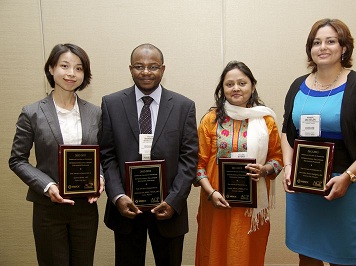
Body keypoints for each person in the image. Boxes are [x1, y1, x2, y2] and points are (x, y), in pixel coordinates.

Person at [282, 18, 356, 266]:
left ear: (344, 48)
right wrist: (288, 168)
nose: (323, 47)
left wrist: (349, 176)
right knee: (306, 256)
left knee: (342, 259)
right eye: (317, 42)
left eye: (331, 41)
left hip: (345, 187)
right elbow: (287, 132)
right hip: (304, 187)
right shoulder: (297, 86)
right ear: (310, 49)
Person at [100, 43, 198, 266]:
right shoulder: (111, 104)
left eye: (153, 66)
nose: (146, 72)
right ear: (130, 69)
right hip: (126, 208)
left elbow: (189, 158)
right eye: (139, 66)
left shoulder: (184, 106)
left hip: (169, 208)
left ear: (163, 69)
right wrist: (117, 197)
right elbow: (107, 155)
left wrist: (174, 201)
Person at [9, 43, 104, 265]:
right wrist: (47, 186)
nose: (71, 73)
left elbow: (102, 156)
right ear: (51, 69)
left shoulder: (95, 113)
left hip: (85, 208)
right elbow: (17, 160)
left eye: (79, 68)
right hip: (48, 208)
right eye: (64, 66)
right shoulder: (32, 112)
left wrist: (99, 177)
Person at [194, 61, 283, 266]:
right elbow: (198, 164)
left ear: (252, 86)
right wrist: (211, 193)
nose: (236, 88)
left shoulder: (266, 120)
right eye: (229, 84)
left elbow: (277, 160)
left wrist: (264, 170)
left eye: (242, 83)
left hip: (249, 209)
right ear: (222, 89)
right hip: (216, 204)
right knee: (214, 253)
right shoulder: (210, 120)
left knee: (244, 254)